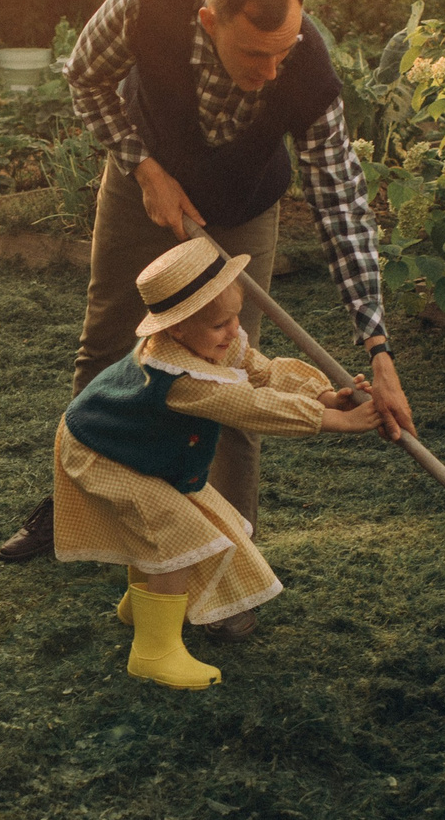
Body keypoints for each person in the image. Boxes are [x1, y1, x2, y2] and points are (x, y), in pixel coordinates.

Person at [0, 0, 417, 646]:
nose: (273, 70)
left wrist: (377, 346)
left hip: (243, 202)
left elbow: (341, 200)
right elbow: (84, 80)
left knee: (226, 364)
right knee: (108, 344)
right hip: (147, 184)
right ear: (207, 20)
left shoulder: (304, 67)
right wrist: (142, 166)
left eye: (284, 50)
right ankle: (78, 514)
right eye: (256, 54)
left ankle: (226, 565)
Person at [55, 241, 382, 689]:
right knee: (174, 528)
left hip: (134, 445)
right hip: (100, 450)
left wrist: (322, 395)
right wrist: (336, 421)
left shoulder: (214, 342)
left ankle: (142, 606)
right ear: (176, 332)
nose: (232, 332)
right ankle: (154, 651)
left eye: (236, 318)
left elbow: (260, 371)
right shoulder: (184, 380)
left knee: (162, 522)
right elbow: (251, 405)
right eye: (218, 325)